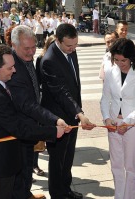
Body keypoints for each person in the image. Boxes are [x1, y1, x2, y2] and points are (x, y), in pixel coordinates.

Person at [0, 44, 66, 199]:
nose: (14, 71)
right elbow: (20, 129)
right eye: (10, 68)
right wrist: (53, 131)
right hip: (1, 163)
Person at [7, 25, 69, 199]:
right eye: (27, 48)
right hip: (20, 129)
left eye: (34, 46)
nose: (32, 51)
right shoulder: (12, 66)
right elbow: (26, 104)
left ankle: (26, 193)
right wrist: (54, 120)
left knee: (27, 172)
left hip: (30, 126)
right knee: (21, 175)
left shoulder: (26, 60)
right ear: (14, 45)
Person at [39, 23, 95, 199]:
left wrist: (77, 111)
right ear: (57, 40)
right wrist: (79, 113)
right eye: (69, 46)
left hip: (72, 114)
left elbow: (74, 83)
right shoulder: (49, 60)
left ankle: (66, 190)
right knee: (57, 159)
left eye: (75, 45)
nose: (73, 49)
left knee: (68, 156)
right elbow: (60, 92)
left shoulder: (71, 50)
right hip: (58, 118)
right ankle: (57, 193)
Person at [100, 38, 135, 199]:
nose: (120, 63)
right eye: (116, 59)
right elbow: (104, 98)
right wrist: (107, 118)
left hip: (132, 125)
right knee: (116, 165)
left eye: (124, 60)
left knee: (131, 166)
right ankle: (119, 196)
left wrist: (127, 122)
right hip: (113, 124)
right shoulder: (110, 72)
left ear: (131, 58)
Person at [33, 35, 56, 177]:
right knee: (38, 137)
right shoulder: (41, 59)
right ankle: (34, 164)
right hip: (43, 99)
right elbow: (38, 79)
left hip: (54, 102)